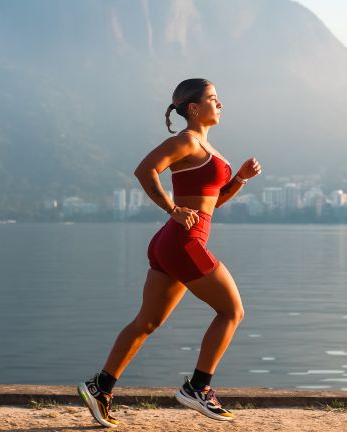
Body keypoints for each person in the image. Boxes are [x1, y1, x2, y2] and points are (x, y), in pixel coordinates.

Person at [77, 78, 262, 427]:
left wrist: (238, 179)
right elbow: (144, 170)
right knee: (232, 311)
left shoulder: (206, 147)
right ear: (193, 108)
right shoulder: (186, 141)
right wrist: (170, 208)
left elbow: (212, 203)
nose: (220, 104)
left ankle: (100, 387)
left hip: (173, 242)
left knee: (147, 322)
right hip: (183, 241)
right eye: (213, 99)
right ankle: (198, 387)